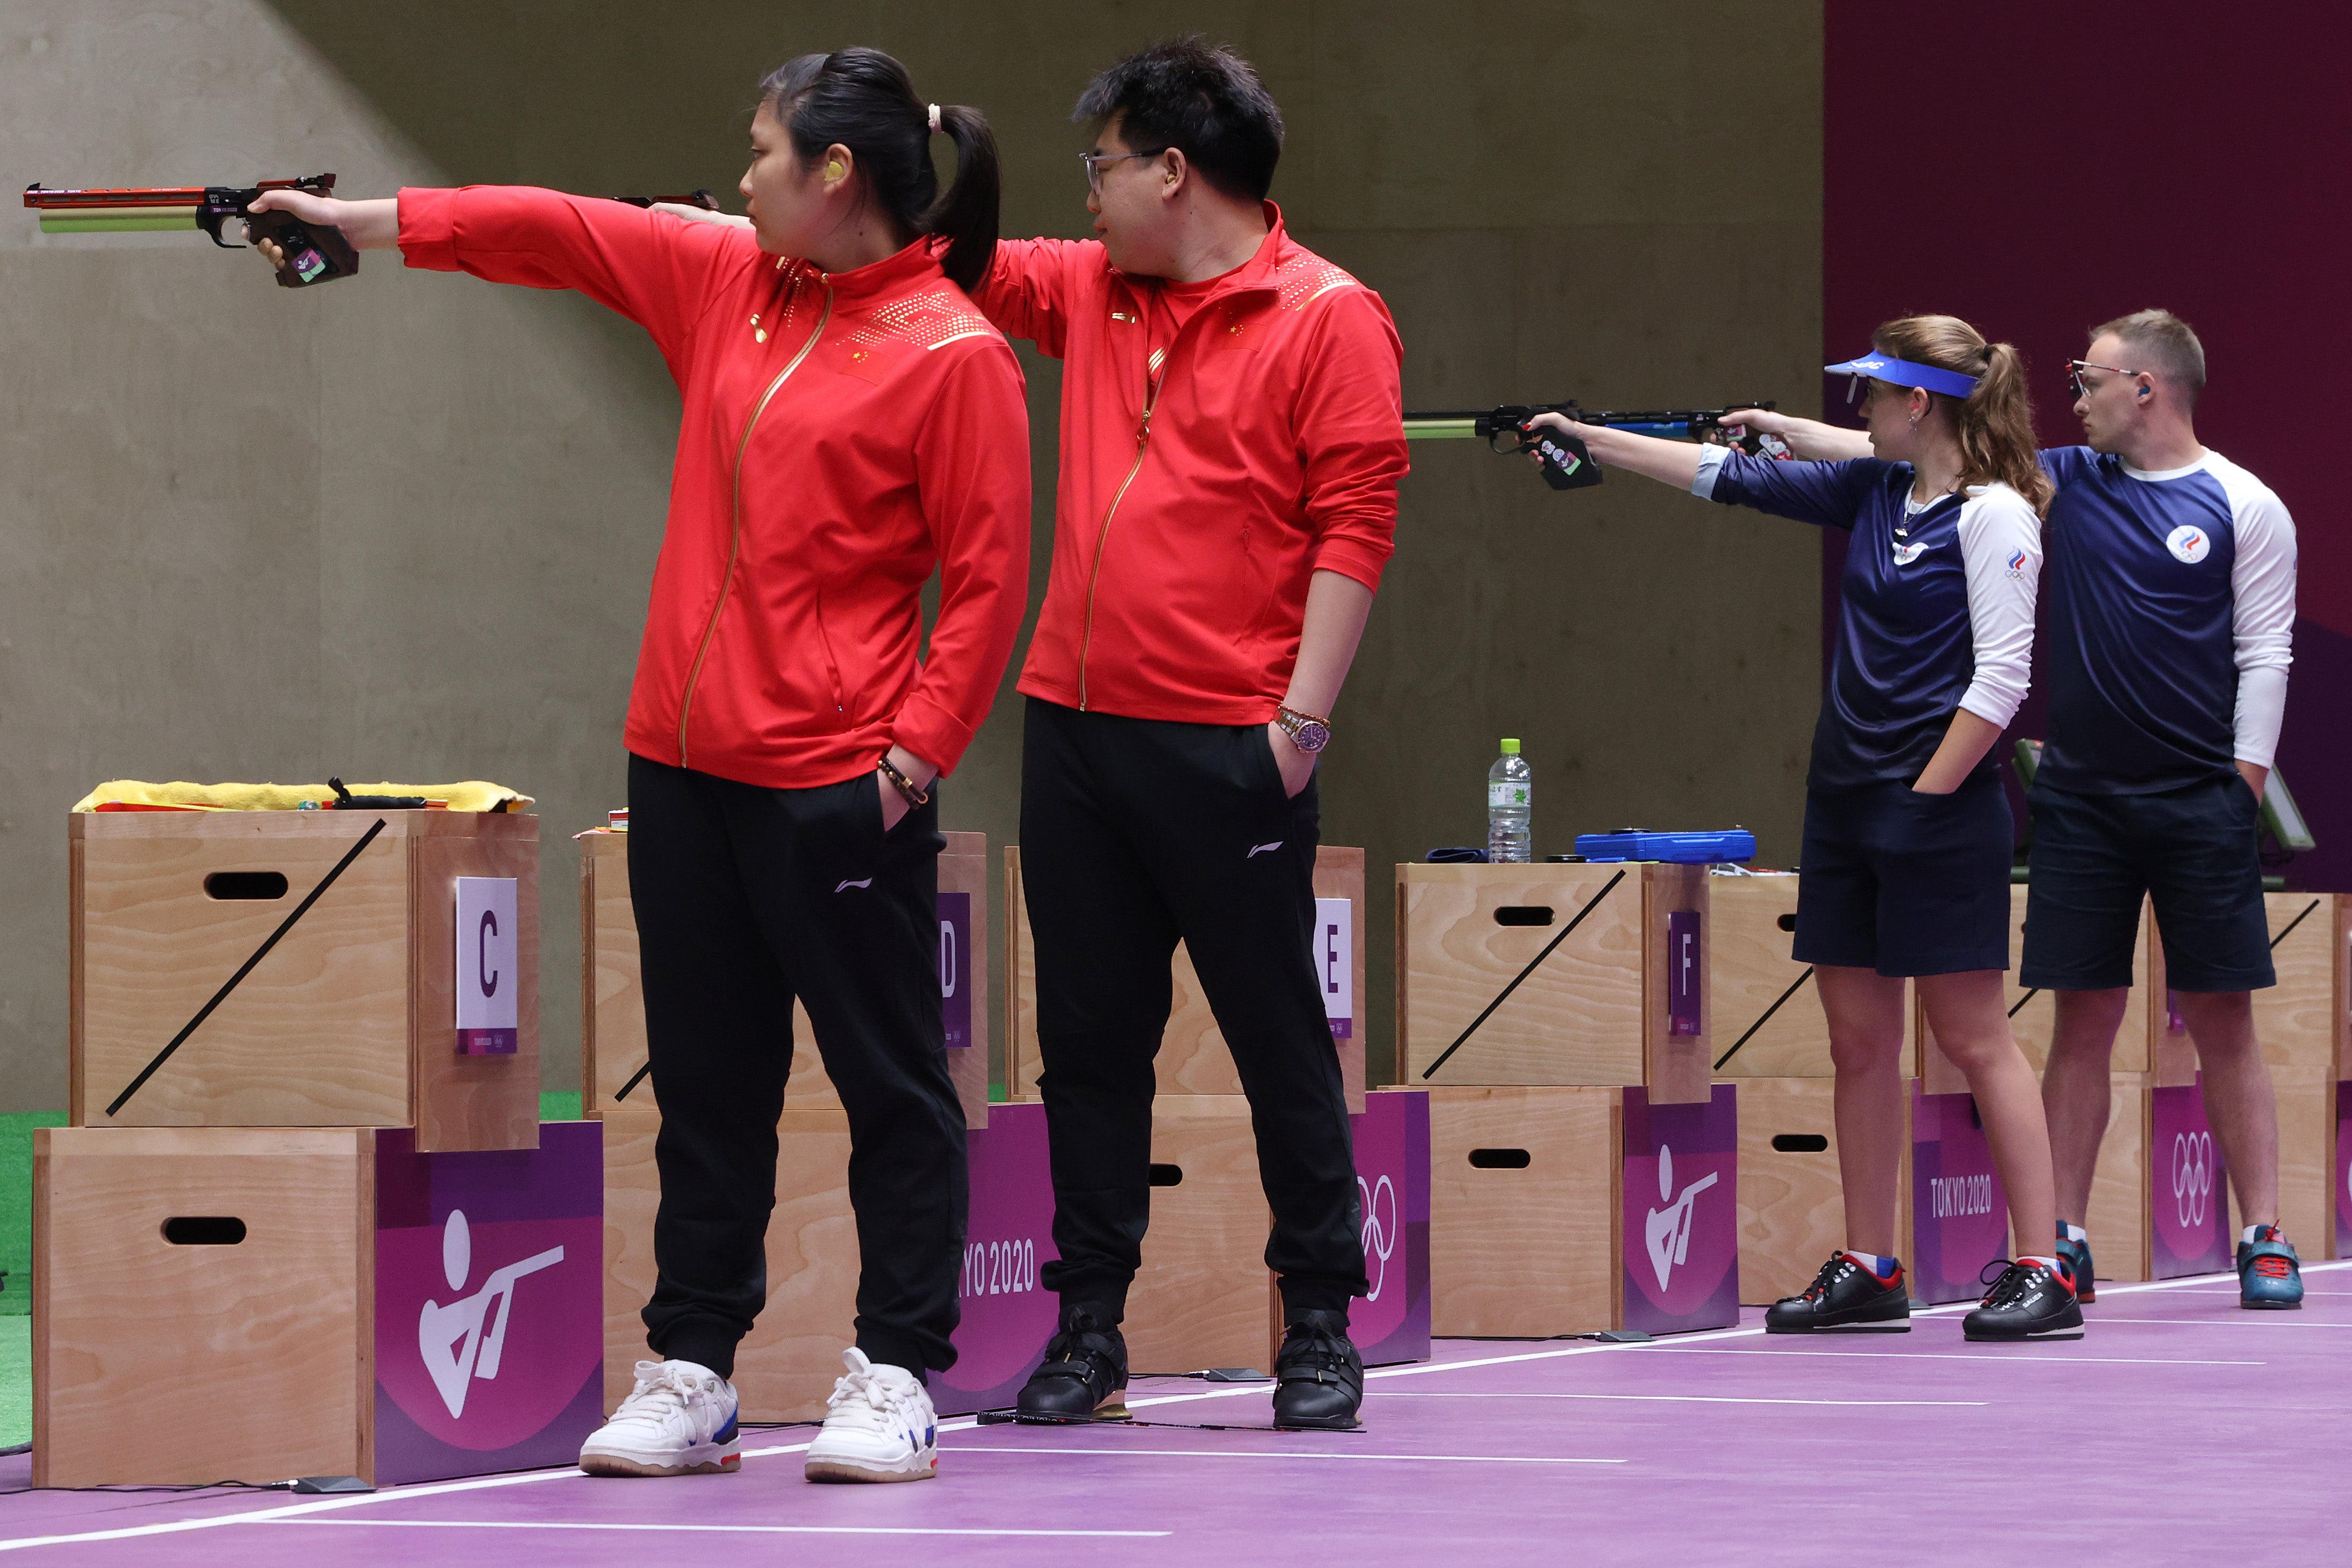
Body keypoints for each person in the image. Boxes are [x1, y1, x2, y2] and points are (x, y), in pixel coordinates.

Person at [250, 48, 1032, 1480]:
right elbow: (543, 225)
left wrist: (912, 762)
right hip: (683, 768)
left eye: (762, 152)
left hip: (840, 783)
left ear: (834, 174)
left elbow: (987, 588)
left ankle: (900, 1370)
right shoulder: (723, 278)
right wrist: (352, 219)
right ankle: (694, 1368)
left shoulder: (954, 353)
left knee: (892, 1089)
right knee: (706, 1085)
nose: (741, 179)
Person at [975, 37, 1407, 1428]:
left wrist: (1299, 725)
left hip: (1233, 742)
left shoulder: (1331, 315)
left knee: (1279, 1033)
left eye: (1099, 167)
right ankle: (1090, 1329)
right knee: (1090, 1045)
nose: (1085, 196)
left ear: (1173, 170)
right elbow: (955, 258)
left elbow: (1357, 526)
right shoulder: (1091, 286)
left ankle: (1322, 1325)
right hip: (1077, 735)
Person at [1733, 310, 2303, 1310]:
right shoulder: (2059, 481)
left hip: (2200, 799)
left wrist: (2243, 785)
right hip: (2078, 799)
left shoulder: (2246, 505)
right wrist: (1783, 427)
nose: (2074, 392)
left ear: (2149, 390)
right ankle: (2063, 1242)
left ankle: (2263, 1231)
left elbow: (2266, 652)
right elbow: (1921, 442)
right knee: (2083, 1015)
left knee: (2224, 1017)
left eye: (2093, 377)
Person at [1530, 316, 2082, 1341]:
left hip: (1939, 810)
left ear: (1918, 403)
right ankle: (1873, 1264)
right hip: (1843, 807)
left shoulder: (1996, 515)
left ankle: (2044, 1265)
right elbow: (1721, 476)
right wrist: (1591, 438)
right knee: (1857, 1040)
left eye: (1872, 391)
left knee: (1973, 1038)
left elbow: (2003, 681)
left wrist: (1925, 797)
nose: (1856, 407)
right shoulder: (1874, 490)